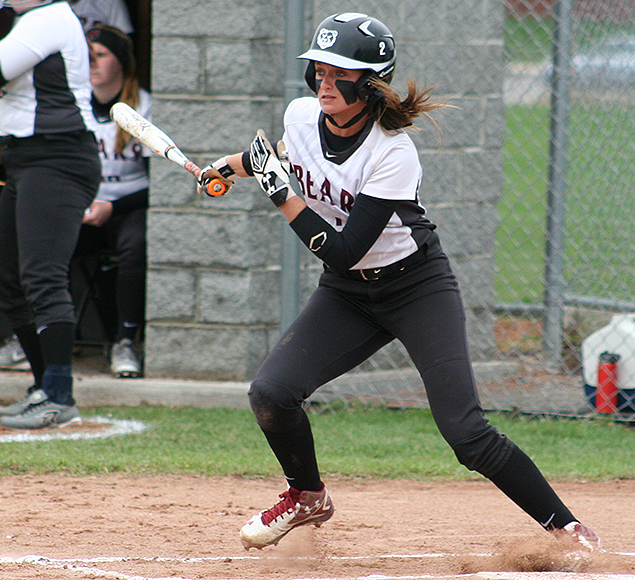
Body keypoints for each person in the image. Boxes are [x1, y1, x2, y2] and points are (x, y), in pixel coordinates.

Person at [194, 13, 601, 553]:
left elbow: (342, 252)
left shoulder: (392, 151)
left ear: (369, 82)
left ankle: (568, 529)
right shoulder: (299, 117)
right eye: (319, 70)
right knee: (271, 393)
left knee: (466, 434)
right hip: (349, 297)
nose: (325, 82)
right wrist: (232, 166)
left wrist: (278, 193)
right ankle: (307, 494)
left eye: (340, 74)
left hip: (416, 288)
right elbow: (291, 160)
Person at [0, 0, 101, 429]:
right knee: (6, 279)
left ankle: (60, 397)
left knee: (42, 275)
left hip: (58, 157)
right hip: (27, 160)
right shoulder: (30, 22)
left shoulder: (48, 18)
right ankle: (45, 384)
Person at [0, 24, 148, 378]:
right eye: (87, 55)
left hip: (125, 206)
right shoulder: (73, 98)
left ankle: (126, 340)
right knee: (41, 256)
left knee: (136, 243)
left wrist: (113, 207)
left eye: (101, 55)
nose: (92, 63)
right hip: (78, 205)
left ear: (122, 63)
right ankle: (31, 339)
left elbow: (159, 185)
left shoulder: (144, 105)